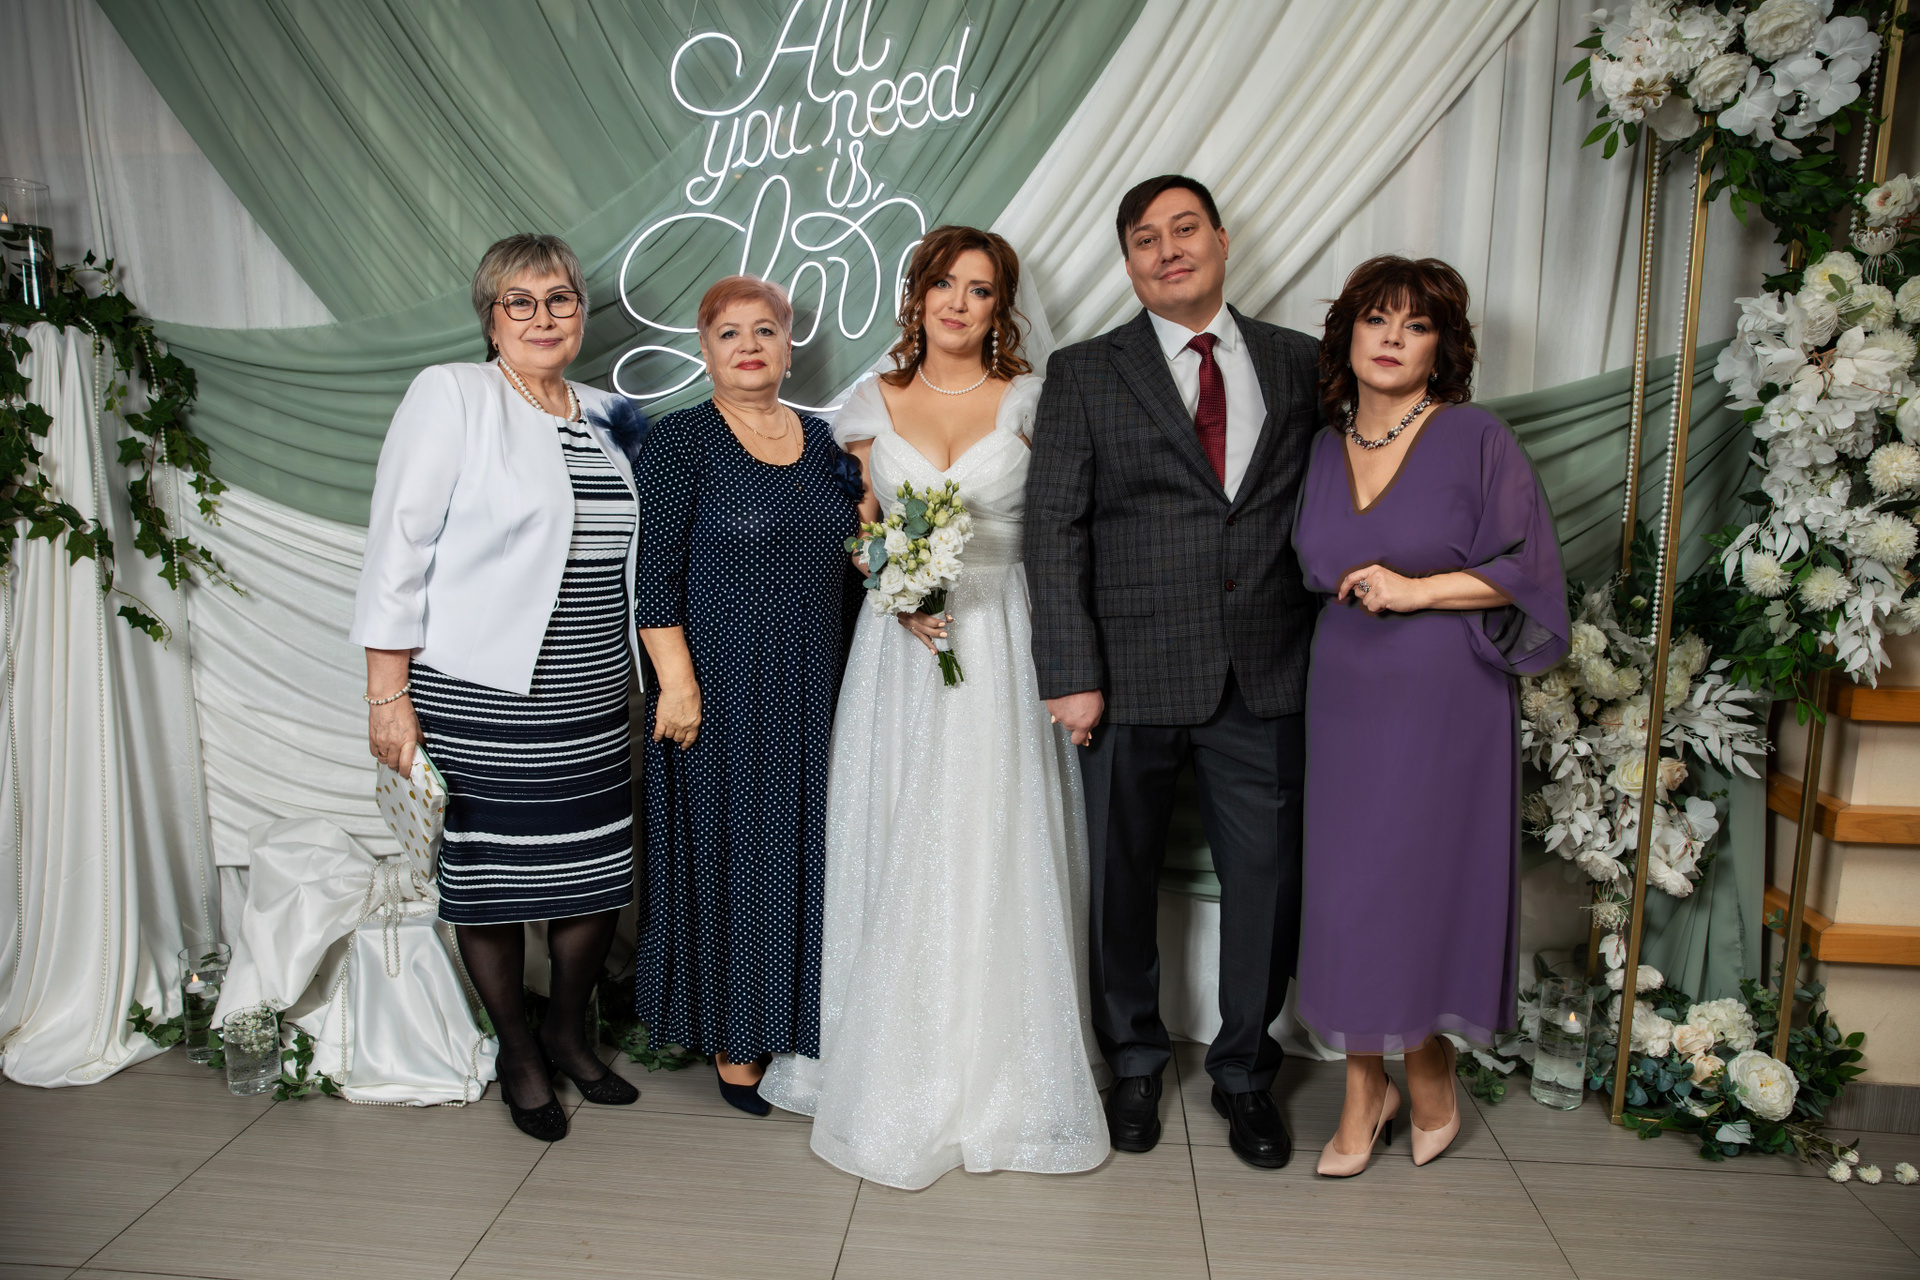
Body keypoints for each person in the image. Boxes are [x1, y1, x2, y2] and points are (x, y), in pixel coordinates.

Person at [758, 227, 1109, 1188]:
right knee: (898, 826)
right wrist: (893, 585)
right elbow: (860, 534)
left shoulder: (1033, 402)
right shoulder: (868, 407)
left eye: (981, 289)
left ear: (1002, 308)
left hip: (999, 640)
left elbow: (1062, 530)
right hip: (901, 654)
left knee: (991, 832)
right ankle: (891, 1056)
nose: (959, 303)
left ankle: (1002, 1070)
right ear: (917, 296)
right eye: (944, 284)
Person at [1024, 175, 1320, 1170]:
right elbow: (1053, 529)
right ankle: (1136, 1061)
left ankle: (1245, 1073)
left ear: (1222, 241)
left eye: (1184, 229)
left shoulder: (1301, 362)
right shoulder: (1084, 372)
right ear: (1128, 264)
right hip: (1124, 673)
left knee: (1267, 883)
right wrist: (1070, 669)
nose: (1168, 249)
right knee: (1119, 880)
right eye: (1145, 239)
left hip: (1268, 670)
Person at [352, 233, 644, 1144]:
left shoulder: (610, 412)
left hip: (595, 691)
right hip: (481, 689)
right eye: (521, 301)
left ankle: (568, 1032)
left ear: (581, 312)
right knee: (491, 882)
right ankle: (519, 1052)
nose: (543, 317)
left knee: (595, 874)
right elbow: (397, 545)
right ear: (491, 317)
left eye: (560, 299)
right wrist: (387, 693)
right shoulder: (453, 395)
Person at [1292, 256, 1567, 1177]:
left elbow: (1530, 567)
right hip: (1345, 691)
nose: (1393, 339)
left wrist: (1415, 590)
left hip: (1446, 694)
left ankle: (1426, 1061)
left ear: (1441, 348)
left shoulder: (1475, 436)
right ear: (1349, 335)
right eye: (1377, 320)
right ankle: (1365, 1083)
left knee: (1417, 882)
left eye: (1416, 326)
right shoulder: (1321, 448)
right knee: (1347, 889)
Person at [632, 276, 862, 1115]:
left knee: (807, 850)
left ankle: (798, 1021)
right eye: (729, 333)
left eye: (765, 330)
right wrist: (677, 684)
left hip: (817, 681)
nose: (749, 346)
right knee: (739, 855)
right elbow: (654, 575)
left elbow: (858, 554)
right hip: (720, 686)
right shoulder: (681, 440)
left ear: (789, 346)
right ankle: (737, 1037)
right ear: (705, 351)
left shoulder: (825, 439)